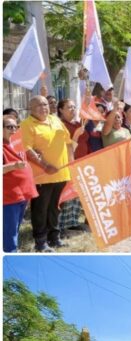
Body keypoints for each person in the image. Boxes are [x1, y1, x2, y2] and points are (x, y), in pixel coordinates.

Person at [20, 95, 74, 252]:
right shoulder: (27, 125)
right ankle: (40, 242)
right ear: (31, 108)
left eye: (46, 104)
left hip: (62, 173)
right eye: (39, 105)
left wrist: (72, 163)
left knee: (55, 208)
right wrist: (45, 165)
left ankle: (54, 238)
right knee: (40, 210)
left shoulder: (55, 119)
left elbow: (68, 141)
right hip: (42, 176)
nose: (44, 107)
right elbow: (27, 149)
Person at [3, 115, 38, 252]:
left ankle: (11, 249)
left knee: (15, 227)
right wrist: (13, 166)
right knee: (9, 230)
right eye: (9, 127)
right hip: (9, 196)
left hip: (22, 194)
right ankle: (10, 252)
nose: (13, 129)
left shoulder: (16, 143)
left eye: (15, 126)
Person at [55, 99, 89, 234]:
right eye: (69, 107)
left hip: (83, 162)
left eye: (74, 107)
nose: (73, 110)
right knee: (68, 194)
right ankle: (63, 225)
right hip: (68, 163)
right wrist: (75, 135)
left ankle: (73, 222)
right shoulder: (59, 125)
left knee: (77, 195)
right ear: (60, 110)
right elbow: (66, 147)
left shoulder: (77, 123)